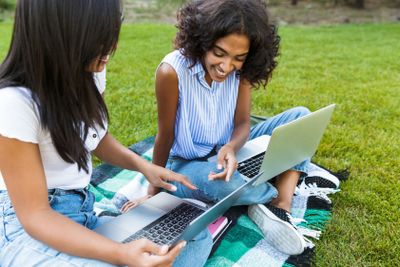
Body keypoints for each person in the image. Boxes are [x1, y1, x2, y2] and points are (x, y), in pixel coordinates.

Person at [0, 0, 212, 266]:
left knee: (194, 236)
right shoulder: (14, 102)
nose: (113, 47)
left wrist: (143, 166)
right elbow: (35, 215)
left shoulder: (88, 72)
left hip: (82, 214)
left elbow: (95, 138)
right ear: (61, 36)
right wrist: (123, 254)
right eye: (101, 37)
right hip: (28, 227)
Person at [150, 0, 312, 255]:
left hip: (231, 148)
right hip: (187, 164)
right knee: (223, 183)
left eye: (238, 58)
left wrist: (232, 147)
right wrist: (154, 190)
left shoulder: (241, 71)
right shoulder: (171, 72)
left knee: (302, 118)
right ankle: (267, 193)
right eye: (219, 53)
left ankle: (282, 204)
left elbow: (243, 124)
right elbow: (165, 136)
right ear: (202, 40)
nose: (226, 67)